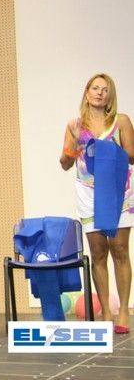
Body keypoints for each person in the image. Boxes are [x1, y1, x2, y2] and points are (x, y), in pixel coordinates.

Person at [60, 73, 133, 334]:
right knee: (98, 252)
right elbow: (65, 163)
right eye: (95, 88)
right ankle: (107, 312)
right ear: (87, 92)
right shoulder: (75, 125)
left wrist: (102, 148)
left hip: (117, 193)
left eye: (105, 89)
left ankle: (123, 311)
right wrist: (76, 144)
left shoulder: (121, 121)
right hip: (89, 195)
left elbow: (132, 155)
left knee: (120, 249)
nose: (100, 93)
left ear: (110, 95)